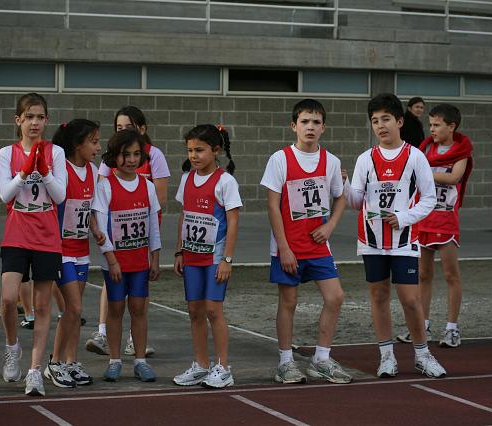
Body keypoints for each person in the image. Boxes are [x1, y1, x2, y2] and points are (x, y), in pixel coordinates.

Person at [343, 93, 446, 378]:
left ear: (400, 121)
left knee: (410, 299)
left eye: (386, 119)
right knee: (378, 296)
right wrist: (342, 183)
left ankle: (423, 354)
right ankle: (386, 356)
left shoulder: (416, 157)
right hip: (371, 240)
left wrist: (402, 218)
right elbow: (355, 202)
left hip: (404, 240)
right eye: (375, 121)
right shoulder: (365, 159)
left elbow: (429, 199)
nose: (380, 125)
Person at [260, 99, 352, 385]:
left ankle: (321, 359)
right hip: (288, 246)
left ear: (323, 128)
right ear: (294, 126)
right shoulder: (280, 159)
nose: (310, 127)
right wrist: (284, 247)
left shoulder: (331, 162)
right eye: (304, 122)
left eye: (315, 122)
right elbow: (273, 206)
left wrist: (330, 225)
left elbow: (341, 196)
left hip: (318, 244)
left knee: (335, 296)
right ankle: (285, 362)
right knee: (289, 302)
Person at [0, 93, 67, 396]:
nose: (34, 123)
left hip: (47, 233)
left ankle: (36, 370)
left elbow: (60, 195)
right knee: (9, 298)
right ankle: (13, 347)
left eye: (40, 117)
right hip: (17, 231)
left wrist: (45, 170)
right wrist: (25, 170)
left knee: (41, 304)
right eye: (29, 117)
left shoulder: (56, 152)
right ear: (18, 121)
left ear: (46, 120)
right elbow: (5, 195)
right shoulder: (6, 153)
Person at [87, 106, 169, 357]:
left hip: (140, 255)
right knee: (115, 306)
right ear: (114, 155)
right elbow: (98, 219)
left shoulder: (150, 172)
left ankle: (139, 353)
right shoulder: (107, 184)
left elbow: (156, 214)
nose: (132, 159)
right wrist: (110, 257)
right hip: (114, 256)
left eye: (136, 155)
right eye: (126, 155)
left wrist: (155, 257)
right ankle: (112, 354)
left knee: (138, 306)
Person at [398, 104, 473, 348]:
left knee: (451, 274)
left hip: (446, 220)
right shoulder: (426, 147)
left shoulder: (461, 151)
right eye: (430, 125)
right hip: (424, 219)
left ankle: (452, 328)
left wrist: (424, 172)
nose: (432, 129)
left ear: (451, 126)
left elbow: (453, 178)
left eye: (437, 125)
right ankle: (423, 324)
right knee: (423, 274)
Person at [173, 124, 241, 389]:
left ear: (216, 150)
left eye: (199, 150)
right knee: (194, 311)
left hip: (215, 257)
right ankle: (201, 365)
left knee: (213, 310)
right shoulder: (187, 178)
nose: (193, 155)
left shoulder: (225, 181)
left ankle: (223, 367)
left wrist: (228, 259)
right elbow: (184, 215)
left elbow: (233, 222)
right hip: (191, 256)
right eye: (190, 150)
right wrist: (179, 250)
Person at [43, 119, 101, 389]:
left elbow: (88, 209)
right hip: (61, 249)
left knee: (76, 312)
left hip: (81, 249)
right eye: (94, 141)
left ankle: (70, 361)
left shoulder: (92, 169)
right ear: (78, 144)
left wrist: (96, 229)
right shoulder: (62, 169)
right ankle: (54, 363)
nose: (98, 147)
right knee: (73, 308)